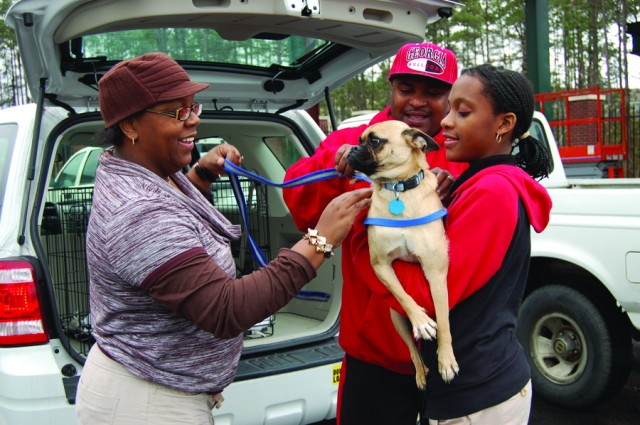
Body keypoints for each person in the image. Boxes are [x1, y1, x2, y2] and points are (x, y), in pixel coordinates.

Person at [75, 52, 372, 425]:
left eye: (192, 106)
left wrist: (201, 172)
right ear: (130, 125)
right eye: (176, 112)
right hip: (146, 402)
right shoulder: (136, 210)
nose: (194, 119)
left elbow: (177, 218)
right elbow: (225, 310)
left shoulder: (151, 171)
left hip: (164, 387)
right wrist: (320, 239)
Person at [283, 42, 467, 425]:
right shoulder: (360, 140)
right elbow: (296, 194)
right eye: (405, 89)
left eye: (432, 92)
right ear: (391, 88)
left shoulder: (463, 149)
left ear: (450, 96)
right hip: (375, 352)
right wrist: (338, 166)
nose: (417, 102)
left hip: (452, 352)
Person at [384, 63, 553, 424]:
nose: (445, 122)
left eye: (462, 112)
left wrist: (364, 243)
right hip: (471, 386)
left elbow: (431, 294)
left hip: (478, 396)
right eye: (449, 111)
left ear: (504, 124)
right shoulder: (476, 184)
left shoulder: (493, 192)